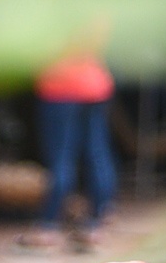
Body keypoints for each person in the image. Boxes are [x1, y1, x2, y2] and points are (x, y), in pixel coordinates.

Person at [35, 51, 118, 242]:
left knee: (61, 157)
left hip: (60, 87)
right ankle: (98, 219)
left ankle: (49, 223)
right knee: (98, 153)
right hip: (95, 85)